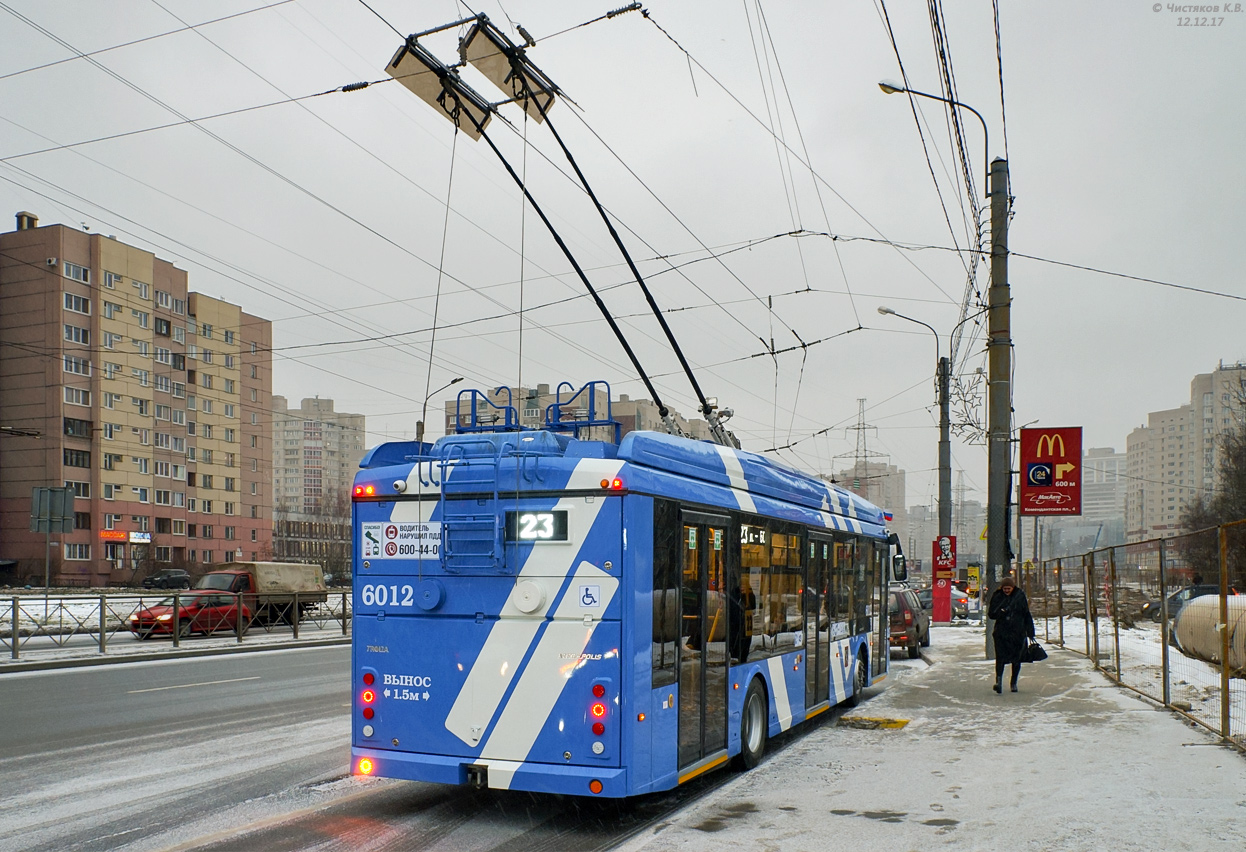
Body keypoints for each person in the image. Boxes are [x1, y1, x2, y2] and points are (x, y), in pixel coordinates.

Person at [988, 574, 1035, 693]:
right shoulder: (997, 596)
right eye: (1005, 589)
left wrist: (1030, 631)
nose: (1007, 591)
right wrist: (1001, 611)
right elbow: (991, 614)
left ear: (1013, 587)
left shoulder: (1019, 596)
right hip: (1001, 633)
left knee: (1016, 659)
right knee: (1000, 658)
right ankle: (998, 682)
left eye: (1009, 589)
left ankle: (1013, 683)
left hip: (1017, 632)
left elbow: (1026, 614)